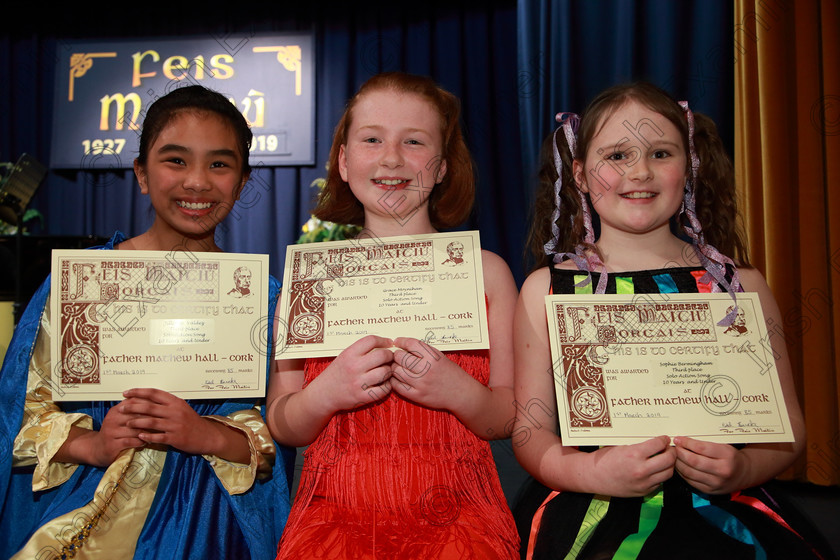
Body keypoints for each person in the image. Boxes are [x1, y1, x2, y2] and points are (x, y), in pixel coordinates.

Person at [511, 81, 835, 559]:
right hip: (594, 512)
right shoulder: (546, 289)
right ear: (579, 174)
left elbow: (787, 430)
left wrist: (743, 470)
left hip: (729, 514)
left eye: (661, 153)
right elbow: (529, 433)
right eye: (617, 155)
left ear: (690, 167)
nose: (639, 171)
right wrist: (592, 473)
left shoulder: (738, 285)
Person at [0, 85, 293, 559]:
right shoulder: (81, 284)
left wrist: (207, 434)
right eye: (175, 160)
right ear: (141, 173)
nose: (197, 181)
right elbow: (22, 418)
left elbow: (283, 439)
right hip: (82, 515)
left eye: (219, 164)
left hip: (207, 526)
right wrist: (95, 445)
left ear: (241, 182)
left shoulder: (266, 297)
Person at [266, 72, 520, 559]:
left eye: (415, 142)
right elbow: (283, 422)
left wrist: (460, 392)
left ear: (442, 166)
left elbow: (508, 416)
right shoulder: (310, 278)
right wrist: (327, 393)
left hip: (461, 528)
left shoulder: (486, 273)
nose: (391, 159)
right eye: (372, 139)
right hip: (332, 527)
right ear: (343, 160)